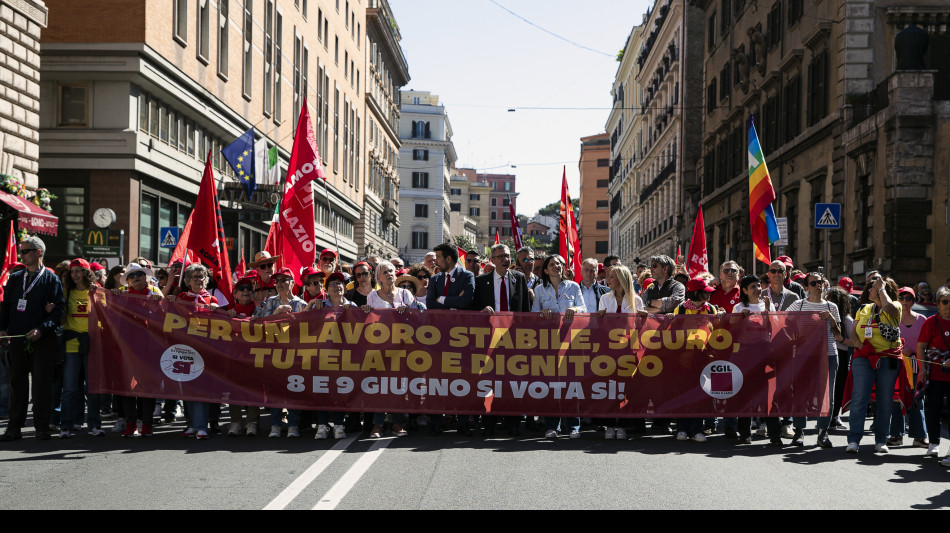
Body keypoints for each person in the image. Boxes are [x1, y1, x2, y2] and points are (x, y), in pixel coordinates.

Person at [0, 236, 65, 441]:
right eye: (21, 251)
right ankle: (14, 427)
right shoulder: (16, 278)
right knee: (17, 383)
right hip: (18, 338)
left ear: (38, 252)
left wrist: (42, 330)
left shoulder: (51, 279)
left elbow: (58, 311)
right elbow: (6, 305)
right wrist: (2, 329)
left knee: (41, 384)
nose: (21, 256)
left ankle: (41, 427)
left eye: (25, 251)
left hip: (42, 340)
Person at [471, 244, 531, 436]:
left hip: (513, 338)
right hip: (489, 338)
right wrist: (482, 312)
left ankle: (512, 420)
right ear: (493, 260)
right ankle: (489, 421)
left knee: (512, 380)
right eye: (501, 256)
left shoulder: (519, 278)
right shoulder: (481, 281)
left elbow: (524, 309)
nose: (506, 259)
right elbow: (472, 309)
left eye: (507, 255)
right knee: (490, 380)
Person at [532, 254, 587, 439]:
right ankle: (552, 426)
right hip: (548, 342)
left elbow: (584, 308)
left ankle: (574, 427)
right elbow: (533, 315)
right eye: (552, 264)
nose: (557, 266)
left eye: (560, 264)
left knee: (571, 385)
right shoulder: (539, 290)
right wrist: (542, 312)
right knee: (551, 385)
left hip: (570, 341)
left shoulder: (573, 286)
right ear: (546, 270)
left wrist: (576, 310)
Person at [846, 275, 902, 454]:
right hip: (863, 356)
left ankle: (881, 439)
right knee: (859, 397)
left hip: (887, 357)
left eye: (872, 287)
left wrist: (882, 289)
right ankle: (854, 439)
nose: (869, 290)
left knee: (885, 400)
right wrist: (862, 347)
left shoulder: (895, 306)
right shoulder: (863, 309)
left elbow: (888, 307)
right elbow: (853, 335)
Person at [786, 273, 842, 448]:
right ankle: (799, 431)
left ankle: (823, 432)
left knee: (827, 395)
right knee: (801, 393)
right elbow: (783, 325)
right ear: (806, 287)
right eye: (814, 283)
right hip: (804, 355)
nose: (819, 285)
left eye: (821, 282)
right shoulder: (798, 305)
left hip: (829, 354)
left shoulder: (832, 306)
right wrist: (793, 340)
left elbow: (839, 336)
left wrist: (832, 320)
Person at [253, 267, 308, 438]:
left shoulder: (301, 304)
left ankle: (292, 425)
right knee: (275, 390)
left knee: (293, 389)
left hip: (294, 353)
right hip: (273, 352)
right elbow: (261, 324)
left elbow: (307, 330)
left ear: (293, 283)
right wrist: (277, 313)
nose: (280, 284)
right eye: (277, 281)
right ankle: (275, 425)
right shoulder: (270, 301)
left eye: (285, 280)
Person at [427, 244, 475, 435]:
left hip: (461, 337)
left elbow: (467, 300)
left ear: (448, 259)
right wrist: (450, 300)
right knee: (438, 378)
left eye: (438, 257)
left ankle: (462, 421)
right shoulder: (435, 279)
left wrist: (443, 300)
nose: (435, 261)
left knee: (461, 378)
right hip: (439, 336)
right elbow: (430, 303)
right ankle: (436, 421)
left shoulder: (467, 276)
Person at [362, 260, 413, 438]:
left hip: (402, 348)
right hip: (380, 348)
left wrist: (409, 311)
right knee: (380, 386)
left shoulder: (406, 295)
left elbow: (419, 319)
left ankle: (398, 423)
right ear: (378, 278)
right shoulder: (372, 297)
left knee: (398, 386)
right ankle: (378, 424)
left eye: (392, 271)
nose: (390, 274)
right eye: (385, 272)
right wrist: (366, 312)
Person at [168, 263, 219, 439]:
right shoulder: (181, 297)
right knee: (187, 388)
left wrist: (215, 312)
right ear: (188, 281)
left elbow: (219, 325)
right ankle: (193, 424)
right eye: (195, 277)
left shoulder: (212, 300)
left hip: (204, 350)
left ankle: (202, 426)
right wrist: (172, 303)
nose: (199, 280)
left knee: (201, 389)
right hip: (184, 349)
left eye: (202, 277)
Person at [114, 262, 164, 437]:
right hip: (127, 348)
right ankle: (130, 423)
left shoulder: (154, 296)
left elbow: (165, 318)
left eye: (139, 275)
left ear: (145, 277)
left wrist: (162, 304)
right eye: (132, 276)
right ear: (127, 281)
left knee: (147, 388)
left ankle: (147, 424)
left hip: (149, 349)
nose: (136, 278)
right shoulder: (121, 296)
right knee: (129, 388)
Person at [672, 277, 723, 443]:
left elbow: (718, 330)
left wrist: (721, 318)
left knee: (700, 393)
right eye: (705, 292)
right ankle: (682, 428)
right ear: (695, 293)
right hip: (683, 358)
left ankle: (697, 429)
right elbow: (673, 332)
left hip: (703, 358)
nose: (708, 296)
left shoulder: (711, 309)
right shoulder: (680, 309)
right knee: (682, 393)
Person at [596, 265, 644, 439]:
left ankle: (623, 425)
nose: (608, 280)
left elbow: (640, 327)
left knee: (625, 388)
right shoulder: (604, 298)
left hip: (628, 349)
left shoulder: (636, 301)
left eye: (612, 277)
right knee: (609, 387)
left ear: (622, 280)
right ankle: (609, 424)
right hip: (608, 350)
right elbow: (599, 326)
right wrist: (599, 317)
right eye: (608, 277)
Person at [57, 259, 99, 439]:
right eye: (72, 271)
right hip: (71, 343)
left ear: (86, 273)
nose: (74, 274)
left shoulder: (95, 292)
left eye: (78, 271)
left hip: (92, 343)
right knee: (69, 388)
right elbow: (59, 316)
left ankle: (94, 425)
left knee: (93, 388)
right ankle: (65, 426)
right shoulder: (66, 292)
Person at [307, 272, 351, 440]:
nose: (336, 286)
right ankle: (322, 425)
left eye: (339, 283)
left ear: (345, 289)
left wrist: (356, 311)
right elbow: (299, 321)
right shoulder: (319, 305)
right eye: (332, 284)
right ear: (326, 289)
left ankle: (339, 425)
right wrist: (311, 304)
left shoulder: (351, 306)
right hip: (322, 355)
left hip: (344, 357)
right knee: (322, 390)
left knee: (340, 390)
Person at [731, 274, 775, 444]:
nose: (758, 289)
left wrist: (769, 309)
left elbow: (775, 326)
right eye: (753, 287)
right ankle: (744, 433)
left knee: (767, 393)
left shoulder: (767, 304)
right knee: (746, 393)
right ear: (744, 290)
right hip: (745, 353)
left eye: (759, 286)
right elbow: (733, 331)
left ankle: (773, 433)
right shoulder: (739, 307)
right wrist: (741, 319)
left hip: (765, 352)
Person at [888, 286, 929, 448]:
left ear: (914, 301)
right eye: (901, 298)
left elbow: (928, 343)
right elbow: (886, 342)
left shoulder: (922, 320)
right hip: (897, 364)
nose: (905, 301)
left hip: (916, 364)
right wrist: (899, 350)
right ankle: (896, 435)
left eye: (908, 298)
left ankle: (919, 436)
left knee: (918, 399)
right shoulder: (891, 319)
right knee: (897, 399)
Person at [225, 273, 262, 436]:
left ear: (253, 293)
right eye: (241, 288)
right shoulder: (227, 313)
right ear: (235, 294)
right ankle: (236, 422)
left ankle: (252, 422)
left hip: (255, 358)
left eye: (249, 288)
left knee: (253, 390)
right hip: (235, 359)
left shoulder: (261, 312)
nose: (246, 291)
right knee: (235, 390)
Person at [916, 286, 950, 462]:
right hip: (936, 375)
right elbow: (921, 346)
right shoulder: (931, 322)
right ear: (938, 304)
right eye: (945, 301)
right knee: (934, 411)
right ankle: (934, 445)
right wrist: (922, 370)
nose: (948, 305)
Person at [826, 287, 855, 429]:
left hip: (841, 356)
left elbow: (855, 342)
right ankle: (825, 418)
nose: (827, 300)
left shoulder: (847, 320)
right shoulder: (823, 316)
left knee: (838, 388)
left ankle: (835, 417)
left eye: (830, 297)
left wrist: (841, 338)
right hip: (825, 354)